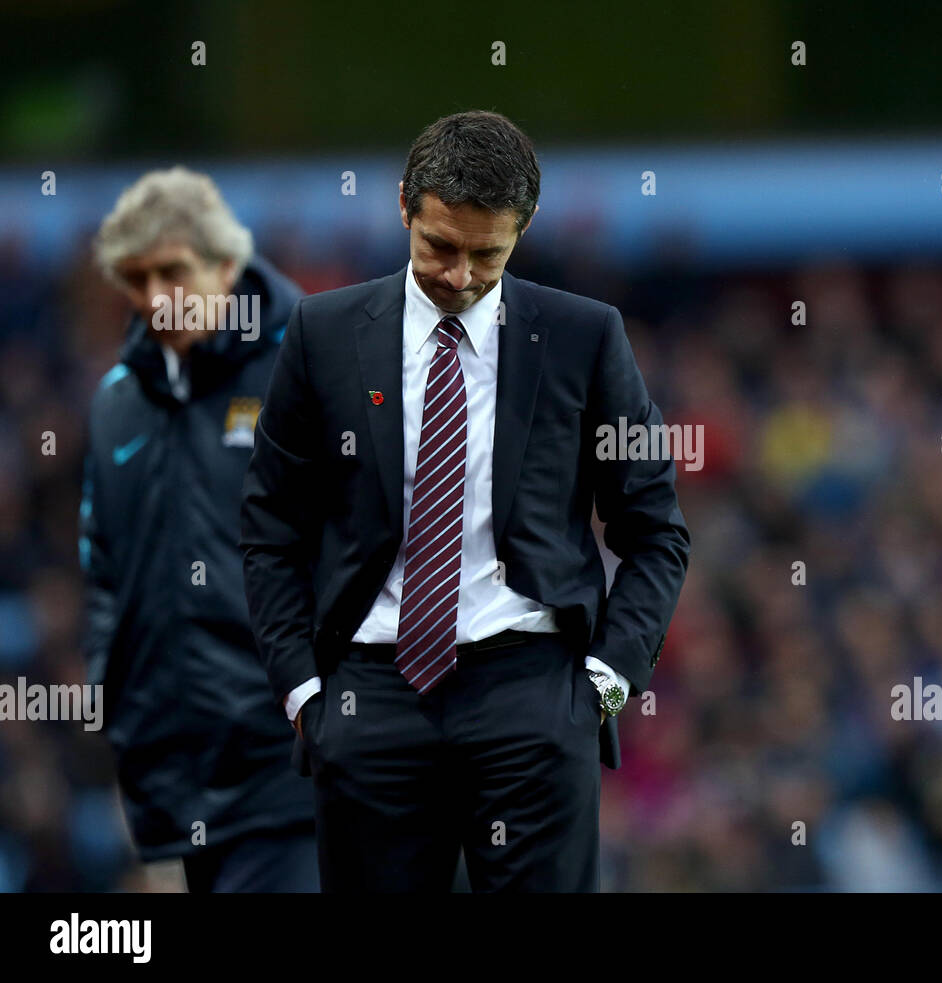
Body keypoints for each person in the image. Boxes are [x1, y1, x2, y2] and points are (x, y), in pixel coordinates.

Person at [241, 110, 690, 891]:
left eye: (488, 253)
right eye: (439, 247)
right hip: (367, 699)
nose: (459, 275)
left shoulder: (587, 338)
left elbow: (654, 529)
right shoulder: (322, 334)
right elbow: (270, 526)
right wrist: (305, 689)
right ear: (404, 204)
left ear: (527, 226)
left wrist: (605, 681)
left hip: (534, 696)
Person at [80, 167, 319, 892]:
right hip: (166, 779)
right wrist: (111, 687)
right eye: (137, 277)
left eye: (173, 271)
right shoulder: (117, 402)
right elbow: (101, 568)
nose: (155, 297)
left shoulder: (305, 372)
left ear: (225, 264)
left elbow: (369, 547)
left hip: (289, 776)